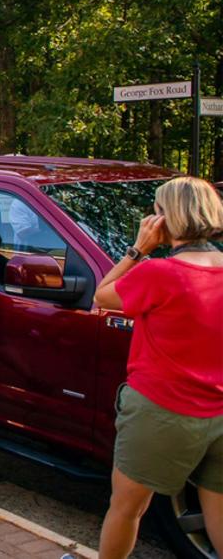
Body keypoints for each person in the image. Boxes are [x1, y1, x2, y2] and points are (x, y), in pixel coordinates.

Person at [92, 176, 223, 559]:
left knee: (127, 508)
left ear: (166, 219)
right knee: (217, 507)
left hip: (162, 410)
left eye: (155, 211)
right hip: (219, 411)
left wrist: (137, 249)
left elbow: (103, 295)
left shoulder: (159, 273)